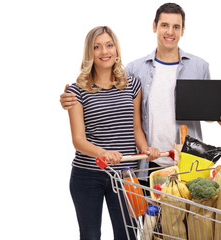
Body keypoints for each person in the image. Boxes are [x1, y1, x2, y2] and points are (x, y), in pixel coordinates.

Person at [60, 3, 221, 181]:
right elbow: (118, 103)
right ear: (155, 27)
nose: (170, 32)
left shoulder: (199, 67)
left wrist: (220, 118)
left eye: (176, 27)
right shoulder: (135, 69)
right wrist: (70, 98)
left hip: (188, 161)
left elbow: (206, 111)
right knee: (146, 210)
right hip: (148, 161)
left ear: (183, 30)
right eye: (164, 25)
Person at [66, 26, 159, 240]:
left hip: (125, 176)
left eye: (109, 45)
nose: (104, 51)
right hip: (88, 175)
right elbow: (78, 140)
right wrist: (103, 153)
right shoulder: (76, 90)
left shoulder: (132, 85)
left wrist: (146, 149)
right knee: (90, 235)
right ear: (89, 53)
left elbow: (136, 128)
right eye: (97, 47)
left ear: (116, 49)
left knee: (127, 235)